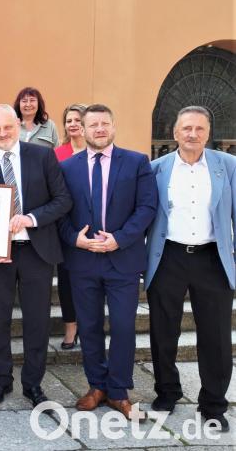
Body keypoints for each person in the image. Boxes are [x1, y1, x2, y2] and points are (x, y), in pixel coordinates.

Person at [0, 104, 72, 408]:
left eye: (7, 128)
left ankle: (33, 383)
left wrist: (31, 218)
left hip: (37, 252)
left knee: (37, 321)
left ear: (18, 125)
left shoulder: (41, 155)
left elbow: (63, 199)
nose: (1, 134)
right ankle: (1, 379)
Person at [59, 103, 157, 420]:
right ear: (82, 130)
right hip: (83, 261)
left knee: (124, 326)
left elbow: (146, 207)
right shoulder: (68, 168)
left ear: (113, 126)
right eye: (93, 125)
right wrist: (75, 238)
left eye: (105, 123)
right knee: (88, 327)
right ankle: (97, 387)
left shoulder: (136, 162)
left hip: (123, 259)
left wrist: (120, 238)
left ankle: (118, 392)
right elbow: (59, 210)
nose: (99, 129)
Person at [146, 106, 234, 432]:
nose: (192, 134)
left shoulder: (229, 166)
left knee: (216, 336)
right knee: (163, 331)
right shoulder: (156, 169)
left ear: (208, 133)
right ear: (175, 132)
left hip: (212, 259)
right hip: (168, 256)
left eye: (199, 128)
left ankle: (213, 404)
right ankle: (167, 392)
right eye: (186, 128)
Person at [53, 103, 87, 350]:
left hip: (94, 222)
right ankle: (70, 325)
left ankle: (89, 326)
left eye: (78, 119)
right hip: (66, 223)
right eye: (69, 120)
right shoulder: (58, 153)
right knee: (66, 277)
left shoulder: (98, 150)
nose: (73, 124)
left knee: (90, 279)